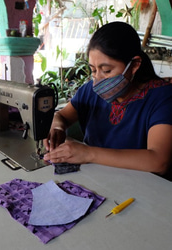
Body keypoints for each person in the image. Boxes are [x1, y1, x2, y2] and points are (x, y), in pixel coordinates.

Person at [43, 21, 172, 181]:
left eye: (106, 71)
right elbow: (61, 116)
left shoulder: (163, 97)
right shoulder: (89, 91)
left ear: (134, 65)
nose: (98, 78)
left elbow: (159, 161)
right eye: (93, 70)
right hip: (98, 181)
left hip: (142, 191)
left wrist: (88, 153)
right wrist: (57, 127)